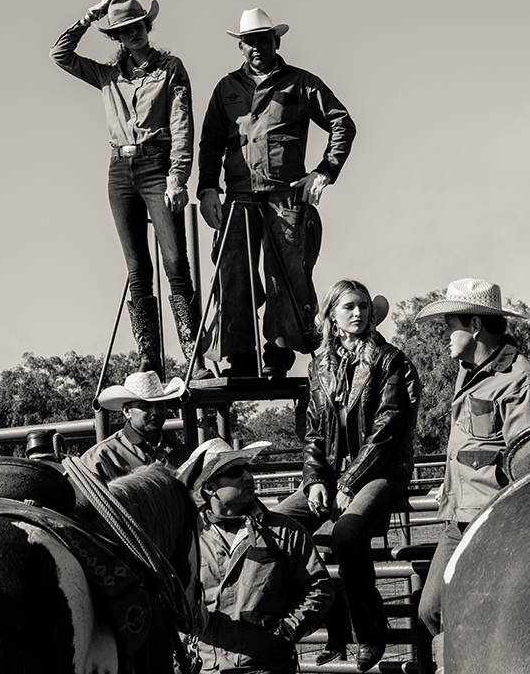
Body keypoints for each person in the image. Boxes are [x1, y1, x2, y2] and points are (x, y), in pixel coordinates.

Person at [50, 0, 208, 379]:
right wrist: (88, 16)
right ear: (116, 37)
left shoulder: (170, 68)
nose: (133, 33)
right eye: (123, 30)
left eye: (137, 26)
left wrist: (177, 176)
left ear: (147, 28)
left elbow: (182, 124)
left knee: (175, 261)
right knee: (138, 267)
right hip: (119, 169)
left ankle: (192, 355)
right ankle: (148, 358)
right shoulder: (107, 75)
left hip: (158, 165)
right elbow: (60, 55)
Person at [197, 8, 357, 377]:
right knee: (232, 274)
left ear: (276, 42)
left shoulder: (301, 82)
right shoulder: (226, 88)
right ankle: (239, 356)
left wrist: (325, 171)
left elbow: (341, 123)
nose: (256, 48)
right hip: (237, 197)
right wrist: (207, 189)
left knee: (285, 276)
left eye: (262, 40)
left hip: (285, 197)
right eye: (249, 42)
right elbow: (210, 143)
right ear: (240, 46)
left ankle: (278, 355)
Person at [275, 280, 420, 672]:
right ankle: (330, 617)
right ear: (332, 316)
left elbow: (386, 431)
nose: (358, 313)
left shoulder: (390, 360)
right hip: (335, 473)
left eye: (363, 307)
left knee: (347, 533)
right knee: (279, 524)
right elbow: (313, 433)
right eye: (349, 307)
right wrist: (316, 479)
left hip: (381, 469)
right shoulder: (319, 366)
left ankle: (371, 632)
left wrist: (347, 484)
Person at [414, 278, 530, 667]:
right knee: (432, 609)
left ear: (474, 326)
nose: (445, 335)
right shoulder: (468, 372)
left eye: (450, 325)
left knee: (477, 612)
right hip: (458, 518)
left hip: (495, 521)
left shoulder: (523, 379)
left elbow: (527, 465)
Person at [176, 437, 334, 674]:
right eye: (235, 472)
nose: (248, 477)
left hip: (268, 666)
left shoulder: (285, 531)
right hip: (208, 666)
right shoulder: (189, 537)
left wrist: (287, 630)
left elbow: (319, 588)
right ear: (209, 488)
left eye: (247, 469)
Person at [81, 371, 188, 482]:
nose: (155, 412)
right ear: (127, 411)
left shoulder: (179, 450)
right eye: (145, 406)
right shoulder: (100, 456)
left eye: (160, 404)